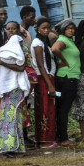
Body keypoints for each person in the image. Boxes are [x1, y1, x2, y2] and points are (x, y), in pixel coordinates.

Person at [0, 34, 30, 158]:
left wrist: (0, 62)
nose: (22, 46)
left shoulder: (3, 54)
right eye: (20, 43)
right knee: (11, 118)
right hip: (13, 88)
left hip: (9, 89)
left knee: (11, 117)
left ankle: (16, 147)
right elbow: (20, 68)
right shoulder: (10, 53)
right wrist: (1, 62)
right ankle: (9, 147)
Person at [6, 21, 36, 147]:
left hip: (25, 80)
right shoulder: (6, 47)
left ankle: (25, 135)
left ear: (19, 30)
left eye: (14, 28)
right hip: (13, 82)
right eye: (8, 29)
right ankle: (17, 137)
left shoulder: (22, 45)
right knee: (15, 111)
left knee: (24, 110)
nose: (11, 31)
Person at [51, 19, 80, 147]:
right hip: (67, 78)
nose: (71, 30)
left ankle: (60, 136)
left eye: (72, 28)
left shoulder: (69, 40)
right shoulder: (62, 39)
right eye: (68, 28)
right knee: (64, 108)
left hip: (68, 77)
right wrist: (62, 60)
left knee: (61, 108)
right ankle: (63, 138)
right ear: (63, 30)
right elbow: (55, 49)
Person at [31, 17, 57, 148]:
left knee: (50, 108)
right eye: (43, 28)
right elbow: (41, 66)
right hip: (43, 79)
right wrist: (50, 84)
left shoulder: (44, 42)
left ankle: (48, 138)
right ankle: (43, 140)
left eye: (48, 28)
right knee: (44, 109)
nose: (46, 30)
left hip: (48, 77)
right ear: (38, 29)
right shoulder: (37, 43)